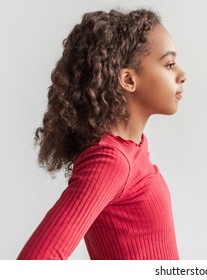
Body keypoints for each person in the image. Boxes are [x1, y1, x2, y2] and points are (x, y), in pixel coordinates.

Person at [17, 8, 187, 260]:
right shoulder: (111, 160)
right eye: (169, 64)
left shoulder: (133, 149)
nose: (182, 75)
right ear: (128, 80)